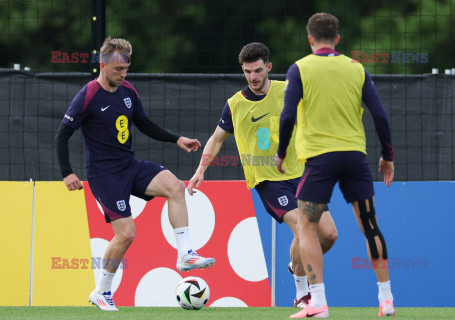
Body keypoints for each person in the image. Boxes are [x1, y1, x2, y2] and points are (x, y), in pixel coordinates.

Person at [54, 37, 215, 311]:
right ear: (103, 66)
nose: (124, 74)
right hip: (104, 175)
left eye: (126, 68)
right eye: (119, 70)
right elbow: (62, 135)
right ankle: (102, 291)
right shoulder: (88, 94)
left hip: (129, 165)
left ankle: (185, 254)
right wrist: (67, 172)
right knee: (127, 234)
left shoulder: (128, 90)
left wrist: (176, 139)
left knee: (175, 186)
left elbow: (143, 123)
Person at [187, 42, 338, 308]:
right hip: (269, 182)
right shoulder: (235, 104)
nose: (253, 77)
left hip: (301, 174)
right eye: (247, 72)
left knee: (328, 235)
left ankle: (296, 264)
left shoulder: (288, 90)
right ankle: (304, 295)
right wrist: (201, 169)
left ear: (268, 67)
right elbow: (216, 139)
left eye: (257, 71)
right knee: (305, 230)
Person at [276, 13, 395, 318]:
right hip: (355, 158)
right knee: (369, 226)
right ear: (337, 39)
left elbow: (287, 115)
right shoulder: (356, 68)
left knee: (306, 227)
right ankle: (386, 299)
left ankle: (318, 302)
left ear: (310, 39)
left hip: (320, 160)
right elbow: (380, 114)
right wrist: (387, 155)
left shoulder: (300, 68)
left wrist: (281, 152)